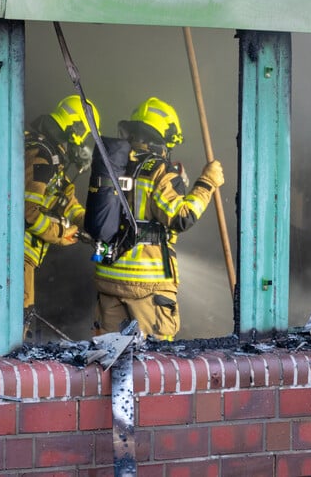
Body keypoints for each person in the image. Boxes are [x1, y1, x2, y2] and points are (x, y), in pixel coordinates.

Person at [93, 97, 224, 341]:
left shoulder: (113, 166)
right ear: (164, 137)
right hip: (147, 287)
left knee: (109, 361)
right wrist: (207, 183)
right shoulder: (158, 169)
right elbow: (181, 217)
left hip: (109, 280)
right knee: (154, 367)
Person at [23, 95, 100, 337]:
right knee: (18, 321)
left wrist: (89, 224)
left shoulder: (50, 155)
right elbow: (27, 213)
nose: (84, 146)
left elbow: (66, 199)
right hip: (13, 254)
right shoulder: (42, 156)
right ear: (76, 129)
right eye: (86, 137)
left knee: (22, 318)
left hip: (20, 256)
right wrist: (60, 233)